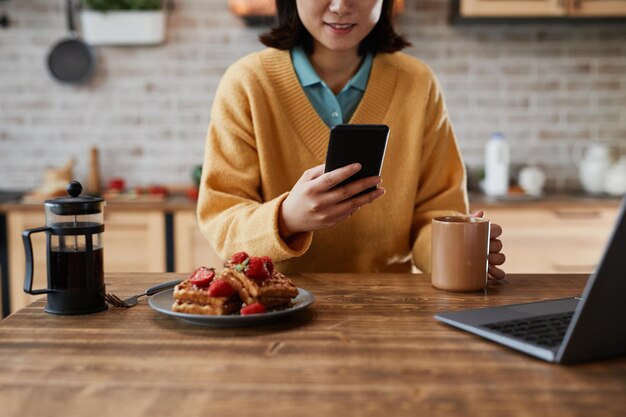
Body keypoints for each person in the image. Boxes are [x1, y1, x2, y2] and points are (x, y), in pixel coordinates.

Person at [197, 0, 505, 278]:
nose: (341, 6)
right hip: (278, 310)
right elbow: (222, 222)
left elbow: (435, 213)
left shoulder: (418, 83)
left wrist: (454, 249)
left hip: (390, 314)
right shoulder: (247, 83)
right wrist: (287, 218)